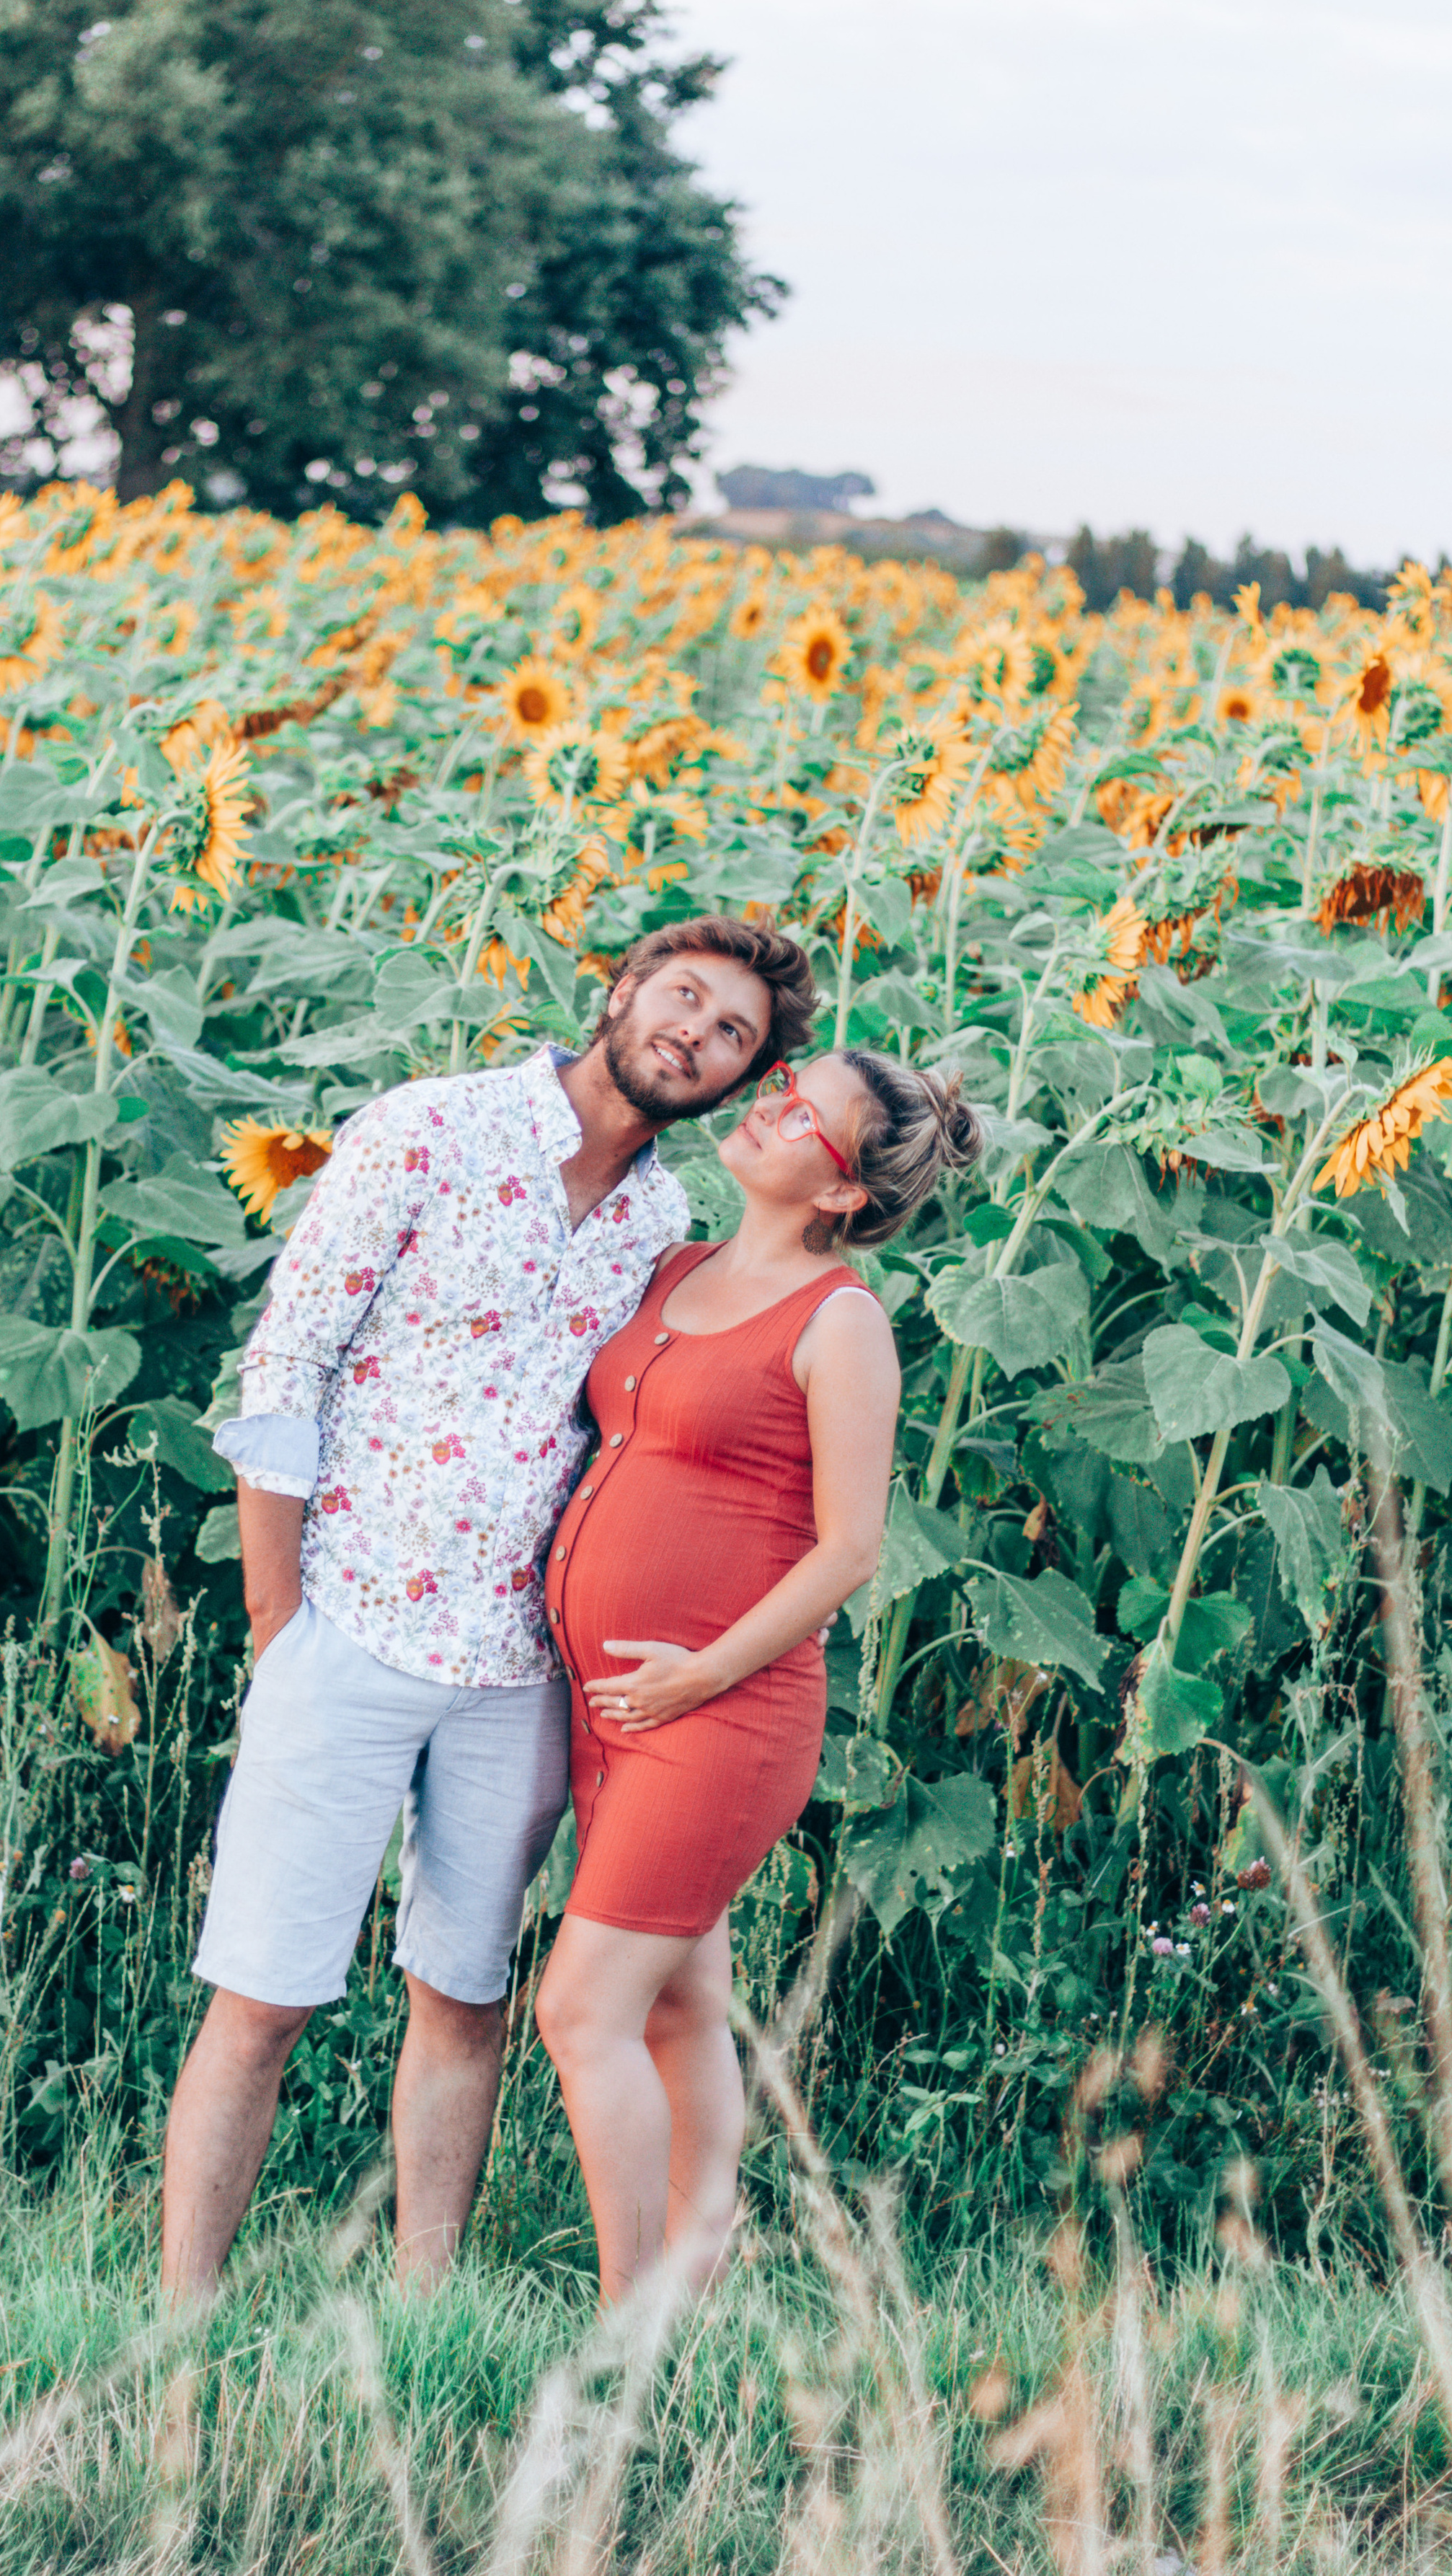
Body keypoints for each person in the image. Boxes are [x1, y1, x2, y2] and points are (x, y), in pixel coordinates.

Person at [161, 917, 821, 2298]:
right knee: (262, 1999)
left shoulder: (663, 1228)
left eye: (732, 1036)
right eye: (682, 998)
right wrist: (280, 1627)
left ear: (737, 1079)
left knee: (465, 1999)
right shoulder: (427, 1130)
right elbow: (286, 1365)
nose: (693, 1034)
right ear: (621, 988)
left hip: (522, 1671)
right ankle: (182, 2317)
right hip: (347, 1628)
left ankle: (423, 2309)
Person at [534, 1048, 983, 2304]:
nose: (768, 1107)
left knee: (583, 2012)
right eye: (781, 1082)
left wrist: (701, 1673)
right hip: (615, 1708)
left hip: (721, 1715)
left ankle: (633, 2319)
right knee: (679, 2003)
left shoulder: (841, 1320)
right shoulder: (676, 1266)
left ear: (840, 1195)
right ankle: (694, 2276)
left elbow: (850, 1548)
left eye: (804, 1115)